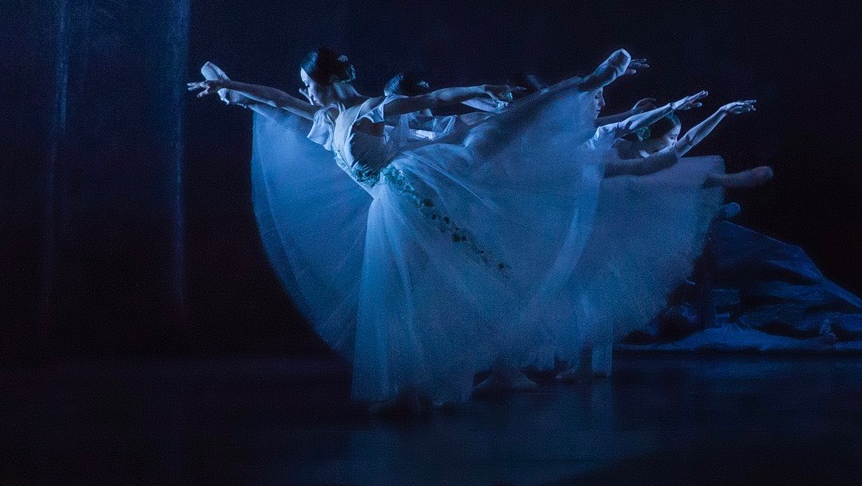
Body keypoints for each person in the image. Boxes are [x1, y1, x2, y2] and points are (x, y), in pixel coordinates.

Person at [190, 47, 640, 415]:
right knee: (406, 295)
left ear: (326, 82)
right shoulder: (328, 119)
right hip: (390, 205)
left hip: (412, 195)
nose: (302, 91)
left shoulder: (372, 108)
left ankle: (587, 85)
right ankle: (415, 388)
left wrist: (478, 88)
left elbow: (435, 100)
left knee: (409, 289)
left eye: (308, 83)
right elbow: (275, 98)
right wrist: (229, 85)